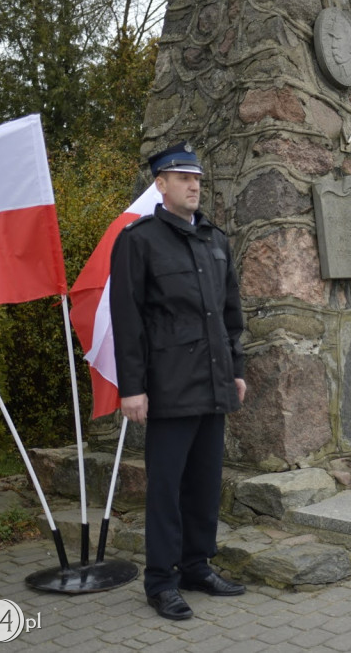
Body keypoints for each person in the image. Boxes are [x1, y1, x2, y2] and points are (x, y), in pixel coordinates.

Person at [110, 142, 247, 620]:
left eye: (198, 178)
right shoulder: (139, 240)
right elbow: (127, 319)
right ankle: (161, 580)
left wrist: (237, 369)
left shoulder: (215, 239)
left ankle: (196, 566)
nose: (194, 185)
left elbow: (230, 314)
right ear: (160, 184)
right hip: (168, 385)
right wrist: (132, 387)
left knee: (206, 482)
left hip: (213, 382)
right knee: (166, 487)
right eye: (183, 177)